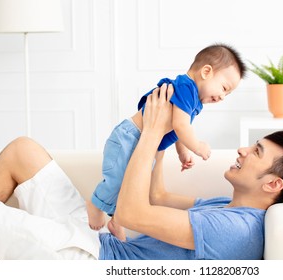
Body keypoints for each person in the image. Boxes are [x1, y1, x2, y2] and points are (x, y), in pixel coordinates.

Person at [0, 84, 283, 260]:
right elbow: (157, 197)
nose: (242, 150)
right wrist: (164, 142)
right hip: (101, 238)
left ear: (274, 183)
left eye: (257, 152)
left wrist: (151, 131)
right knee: (23, 150)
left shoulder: (234, 229)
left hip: (93, 261)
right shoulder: (226, 207)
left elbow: (132, 212)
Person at [87, 43, 246, 239]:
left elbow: (178, 127)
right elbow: (181, 125)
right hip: (129, 137)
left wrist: (182, 152)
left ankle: (116, 221)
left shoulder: (192, 98)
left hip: (143, 142)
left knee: (132, 186)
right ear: (206, 72)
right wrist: (196, 146)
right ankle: (95, 204)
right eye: (224, 88)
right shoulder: (186, 88)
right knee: (117, 180)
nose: (222, 97)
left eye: (227, 94)